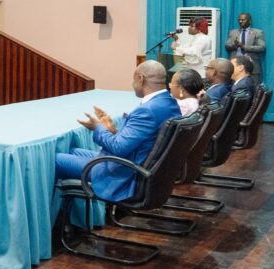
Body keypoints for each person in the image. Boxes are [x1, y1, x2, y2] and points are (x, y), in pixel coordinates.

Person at [55, 61, 180, 201]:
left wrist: (98, 127)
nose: (133, 84)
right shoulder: (170, 103)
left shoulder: (147, 110)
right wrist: (113, 131)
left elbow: (119, 147)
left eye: (133, 79)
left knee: (54, 160)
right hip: (136, 163)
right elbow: (142, 140)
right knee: (72, 151)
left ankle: (52, 213)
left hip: (122, 174)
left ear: (140, 78)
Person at [225, 12, 265, 86]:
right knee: (235, 87)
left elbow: (262, 47)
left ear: (249, 21)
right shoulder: (233, 32)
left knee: (254, 88)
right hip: (236, 65)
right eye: (239, 20)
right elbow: (227, 46)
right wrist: (235, 46)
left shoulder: (257, 32)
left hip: (252, 65)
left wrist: (244, 47)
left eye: (243, 20)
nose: (240, 21)